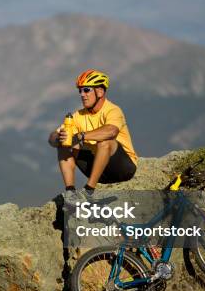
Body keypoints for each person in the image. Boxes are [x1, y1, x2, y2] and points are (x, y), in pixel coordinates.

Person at [48, 69, 138, 199]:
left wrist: (81, 136)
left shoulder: (113, 110)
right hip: (99, 171)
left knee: (105, 141)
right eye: (80, 91)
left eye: (86, 90)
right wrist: (58, 138)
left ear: (100, 92)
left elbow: (111, 131)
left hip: (123, 169)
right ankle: (70, 192)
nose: (82, 95)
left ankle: (89, 191)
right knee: (64, 144)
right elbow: (51, 139)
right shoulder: (78, 116)